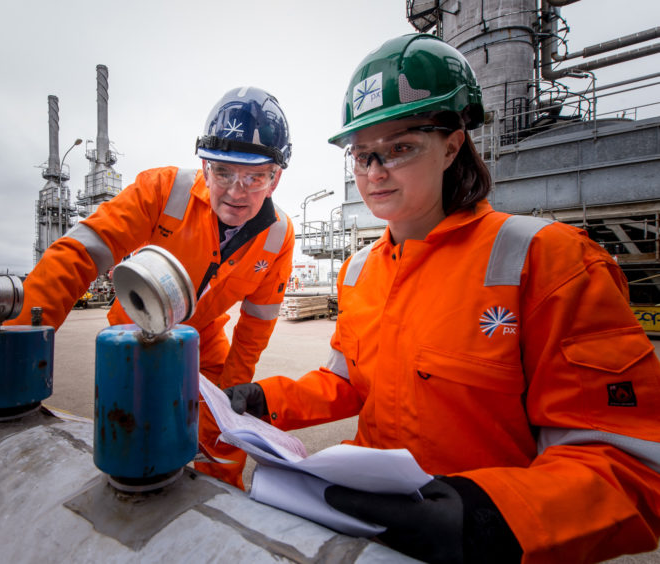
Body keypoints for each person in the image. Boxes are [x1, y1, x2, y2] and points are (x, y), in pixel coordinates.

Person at [225, 34, 660, 563]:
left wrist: (485, 518)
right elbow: (348, 382)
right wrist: (266, 401)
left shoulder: (549, 262)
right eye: (362, 156)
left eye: (400, 148)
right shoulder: (360, 272)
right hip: (373, 526)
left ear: (452, 146)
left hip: (487, 546)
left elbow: (627, 461)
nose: (374, 172)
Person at [0, 86, 296, 490]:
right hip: (135, 333)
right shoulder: (165, 191)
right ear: (203, 165)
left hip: (206, 341)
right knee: (134, 439)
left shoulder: (278, 237)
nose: (237, 192)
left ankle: (219, 516)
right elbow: (80, 253)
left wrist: (232, 393)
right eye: (224, 172)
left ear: (276, 178)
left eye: (255, 177)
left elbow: (256, 324)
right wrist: (3, 359)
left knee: (223, 439)